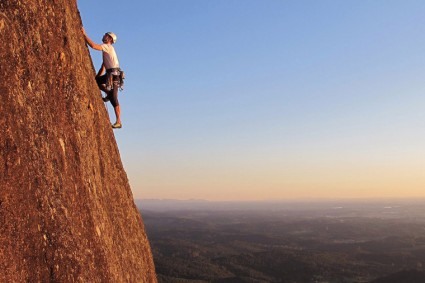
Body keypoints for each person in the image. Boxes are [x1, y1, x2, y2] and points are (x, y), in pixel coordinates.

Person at [82, 28, 122, 129]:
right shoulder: (106, 51)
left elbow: (93, 46)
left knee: (114, 98)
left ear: (109, 39)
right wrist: (96, 78)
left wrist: (84, 35)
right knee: (97, 82)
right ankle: (108, 94)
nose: (104, 36)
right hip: (110, 73)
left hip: (114, 75)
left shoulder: (107, 47)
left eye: (106, 35)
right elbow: (103, 66)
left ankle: (119, 121)